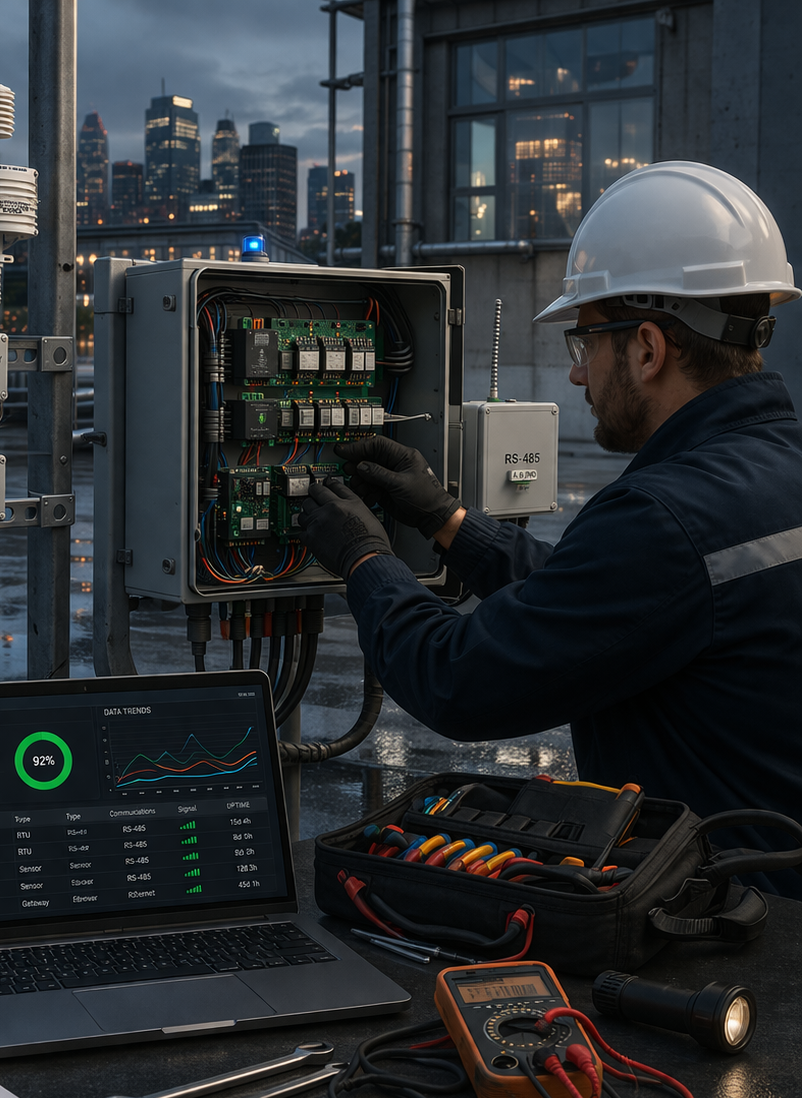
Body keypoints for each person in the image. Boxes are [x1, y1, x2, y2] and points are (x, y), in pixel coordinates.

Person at [299, 161, 802, 898]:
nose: (577, 374)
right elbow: (610, 603)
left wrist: (364, 557)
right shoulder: (768, 474)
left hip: (727, 929)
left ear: (649, 348)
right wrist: (448, 521)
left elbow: (457, 678)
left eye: (584, 343)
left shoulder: (666, 517)